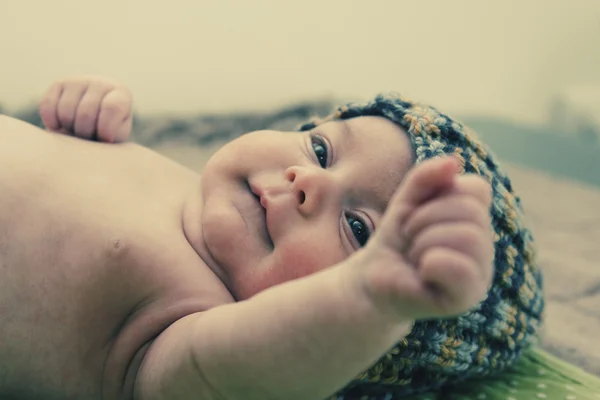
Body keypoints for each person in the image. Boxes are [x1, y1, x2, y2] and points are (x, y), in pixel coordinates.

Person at [0, 76, 542, 400]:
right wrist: (83, 116)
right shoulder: (185, 188)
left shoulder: (198, 332)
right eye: (323, 151)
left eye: (358, 229)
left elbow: (246, 370)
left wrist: (372, 299)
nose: (307, 182)